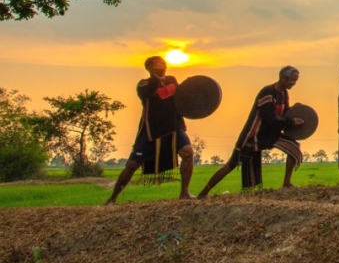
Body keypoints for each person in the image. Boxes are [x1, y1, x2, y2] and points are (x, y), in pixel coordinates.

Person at [197, 66, 306, 196]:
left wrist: (294, 110)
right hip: (256, 136)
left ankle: (286, 183)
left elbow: (284, 115)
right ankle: (203, 193)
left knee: (294, 147)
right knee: (231, 164)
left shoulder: (284, 94)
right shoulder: (267, 92)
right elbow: (269, 118)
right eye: (292, 80)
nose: (294, 83)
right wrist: (290, 121)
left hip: (272, 135)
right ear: (283, 78)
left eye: (295, 81)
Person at [105, 56, 194, 204]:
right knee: (133, 164)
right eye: (158, 63)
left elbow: (183, 97)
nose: (163, 65)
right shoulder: (144, 84)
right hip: (152, 130)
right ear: (150, 68)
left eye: (164, 63)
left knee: (188, 152)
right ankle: (112, 199)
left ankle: (184, 193)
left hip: (174, 126)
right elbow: (148, 93)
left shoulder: (172, 80)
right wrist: (156, 77)